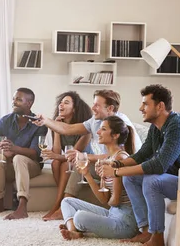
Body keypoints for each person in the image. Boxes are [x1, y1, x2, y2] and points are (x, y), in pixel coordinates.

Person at [98, 84, 180, 246]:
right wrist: (116, 164)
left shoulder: (177, 125)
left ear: (160, 106)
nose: (140, 108)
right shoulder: (156, 128)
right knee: (130, 178)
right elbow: (141, 155)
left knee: (152, 181)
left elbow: (159, 165)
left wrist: (116, 172)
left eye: (145, 104)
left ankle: (157, 238)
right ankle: (145, 231)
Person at [34, 89, 141, 220]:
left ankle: (62, 208)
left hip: (122, 168)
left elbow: (119, 158)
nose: (92, 108)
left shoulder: (119, 125)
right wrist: (46, 121)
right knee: (78, 167)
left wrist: (85, 157)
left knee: (80, 164)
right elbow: (68, 129)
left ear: (110, 108)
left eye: (97, 105)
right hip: (106, 164)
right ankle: (64, 205)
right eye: (93, 103)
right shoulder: (96, 121)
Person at [59, 116, 137, 240]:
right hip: (113, 213)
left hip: (125, 223)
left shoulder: (120, 159)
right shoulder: (106, 160)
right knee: (67, 201)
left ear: (115, 135)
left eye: (103, 129)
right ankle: (74, 231)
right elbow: (103, 199)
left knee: (80, 217)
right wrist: (87, 174)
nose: (98, 132)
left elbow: (115, 201)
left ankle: (74, 226)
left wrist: (108, 199)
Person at [0, 88, 48, 220]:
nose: (14, 102)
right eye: (14, 99)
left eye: (19, 100)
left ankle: (22, 206)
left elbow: (35, 154)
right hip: (9, 164)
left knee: (19, 159)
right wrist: (4, 152)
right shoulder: (5, 121)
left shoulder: (39, 124)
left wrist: (14, 149)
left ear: (29, 103)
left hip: (31, 166)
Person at [40, 91, 92, 221]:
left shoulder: (84, 128)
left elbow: (74, 153)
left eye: (66, 102)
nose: (61, 105)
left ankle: (58, 205)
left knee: (64, 164)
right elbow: (57, 153)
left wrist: (55, 156)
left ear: (74, 109)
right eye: (60, 102)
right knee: (56, 163)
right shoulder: (58, 125)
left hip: (85, 159)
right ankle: (62, 203)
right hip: (70, 159)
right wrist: (56, 130)